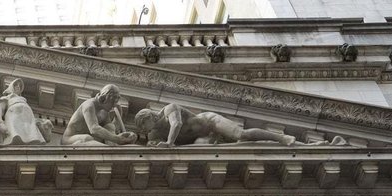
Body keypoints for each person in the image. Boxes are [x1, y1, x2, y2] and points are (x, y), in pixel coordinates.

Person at [132, 101, 300, 146]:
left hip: (210, 123)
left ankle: (281, 138)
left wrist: (169, 143)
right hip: (201, 139)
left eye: (143, 125)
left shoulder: (169, 109)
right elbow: (153, 146)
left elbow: (176, 124)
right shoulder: (154, 133)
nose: (144, 130)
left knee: (242, 135)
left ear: (149, 117)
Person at [62, 85, 137, 146]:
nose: (114, 105)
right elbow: (94, 129)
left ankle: (113, 150)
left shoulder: (104, 111)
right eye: (113, 102)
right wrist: (117, 139)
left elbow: (110, 130)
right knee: (87, 138)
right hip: (70, 139)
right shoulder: (89, 106)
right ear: (104, 99)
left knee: (107, 129)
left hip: (93, 138)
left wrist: (124, 137)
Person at [0, 77, 48, 145]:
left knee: (31, 136)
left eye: (19, 86)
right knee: (15, 136)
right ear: (11, 87)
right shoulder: (7, 97)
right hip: (14, 116)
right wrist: (0, 122)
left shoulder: (23, 100)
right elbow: (0, 108)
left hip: (27, 119)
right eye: (15, 85)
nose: (18, 87)